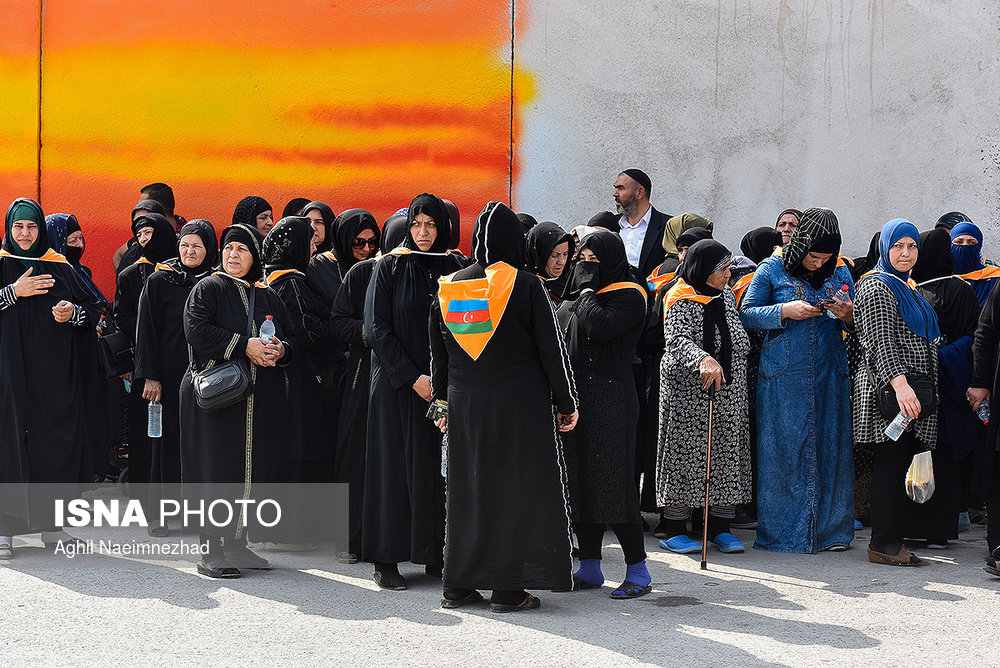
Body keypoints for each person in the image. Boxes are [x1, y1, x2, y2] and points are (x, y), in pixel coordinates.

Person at [429, 201, 578, 612]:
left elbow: (439, 359)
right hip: (520, 410)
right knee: (515, 493)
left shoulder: (450, 286)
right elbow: (553, 352)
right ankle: (508, 590)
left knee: (468, 495)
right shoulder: (526, 285)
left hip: (465, 409)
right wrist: (567, 402)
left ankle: (457, 586)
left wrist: (441, 407)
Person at [179, 222, 298, 578]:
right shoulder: (208, 288)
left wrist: (281, 349)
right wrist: (244, 345)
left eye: (242, 250)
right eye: (229, 248)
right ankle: (210, 548)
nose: (233, 255)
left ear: (254, 255)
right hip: (218, 399)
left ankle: (236, 544)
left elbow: (295, 339)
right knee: (215, 470)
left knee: (250, 472)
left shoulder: (268, 294)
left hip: (258, 401)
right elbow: (196, 330)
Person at [362, 193, 464, 589]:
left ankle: (434, 554)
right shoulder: (389, 265)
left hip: (441, 388)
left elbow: (465, 329)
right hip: (395, 385)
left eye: (431, 225)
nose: (423, 233)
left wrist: (442, 380)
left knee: (435, 474)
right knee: (391, 470)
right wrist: (412, 377)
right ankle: (385, 559)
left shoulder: (455, 267)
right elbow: (376, 329)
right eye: (417, 224)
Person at [739, 208, 855, 553]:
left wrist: (846, 313)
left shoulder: (843, 271)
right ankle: (782, 533)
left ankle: (832, 531)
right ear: (801, 244)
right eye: (813, 256)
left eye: (826, 257)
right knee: (784, 450)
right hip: (783, 376)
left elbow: (856, 321)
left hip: (830, 371)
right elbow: (746, 312)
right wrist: (784, 311)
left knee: (831, 447)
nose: (819, 264)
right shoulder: (771, 269)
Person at [0, 198, 103, 559]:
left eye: (31, 227)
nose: (25, 234)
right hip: (8, 373)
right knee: (9, 442)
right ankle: (5, 530)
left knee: (54, 442)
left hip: (54, 375)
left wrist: (72, 312)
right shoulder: (2, 265)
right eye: (18, 227)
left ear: (40, 229)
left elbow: (94, 309)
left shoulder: (57, 265)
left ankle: (52, 527)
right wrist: (14, 292)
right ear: (9, 229)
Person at [556, 230, 650, 598]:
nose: (585, 268)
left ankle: (639, 571)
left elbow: (600, 325)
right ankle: (591, 567)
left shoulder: (630, 294)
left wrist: (584, 290)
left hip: (612, 398)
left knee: (613, 482)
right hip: (580, 398)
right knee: (580, 478)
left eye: (594, 262)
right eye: (583, 260)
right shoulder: (580, 297)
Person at [656, 239, 751, 554]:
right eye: (722, 269)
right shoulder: (678, 297)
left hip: (728, 389)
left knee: (723, 455)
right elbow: (677, 339)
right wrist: (704, 359)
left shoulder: (724, 294)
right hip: (688, 392)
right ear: (702, 270)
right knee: (685, 455)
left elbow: (734, 332)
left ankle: (719, 528)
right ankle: (674, 528)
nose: (728, 275)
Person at [852, 219, 939, 567]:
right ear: (885, 248)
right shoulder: (877, 287)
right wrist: (900, 386)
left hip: (910, 390)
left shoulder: (906, 285)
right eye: (898, 246)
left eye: (912, 246)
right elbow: (879, 341)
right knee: (890, 464)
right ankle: (884, 544)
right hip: (890, 394)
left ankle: (891, 540)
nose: (906, 253)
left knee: (900, 461)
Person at [329, 213, 406, 564]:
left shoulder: (422, 272)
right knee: (356, 455)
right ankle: (350, 538)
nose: (369, 249)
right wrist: (376, 334)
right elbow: (339, 323)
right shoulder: (361, 273)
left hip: (410, 375)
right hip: (365, 374)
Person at [133, 220, 218, 536]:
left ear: (209, 248)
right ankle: (160, 514)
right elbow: (146, 332)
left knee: (201, 444)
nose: (190, 251)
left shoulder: (217, 282)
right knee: (165, 444)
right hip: (167, 377)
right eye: (185, 244)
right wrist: (150, 376)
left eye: (197, 245)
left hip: (207, 376)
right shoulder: (160, 280)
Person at [263, 216, 341, 548]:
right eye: (308, 240)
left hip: (284, 375)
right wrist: (340, 335)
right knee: (303, 446)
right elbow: (309, 331)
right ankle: (294, 533)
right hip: (300, 376)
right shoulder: (293, 283)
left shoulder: (271, 280)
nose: (314, 246)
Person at [903, 229, 978, 548]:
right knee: (936, 456)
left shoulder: (925, 291)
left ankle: (923, 527)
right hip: (938, 387)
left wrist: (934, 355)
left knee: (928, 454)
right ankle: (932, 529)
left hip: (929, 388)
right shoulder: (921, 289)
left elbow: (971, 335)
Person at [114, 212, 178, 488]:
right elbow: (120, 315)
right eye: (139, 235)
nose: (143, 239)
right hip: (144, 360)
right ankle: (144, 491)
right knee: (146, 428)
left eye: (149, 233)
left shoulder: (181, 273)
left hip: (175, 359)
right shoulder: (130, 274)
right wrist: (148, 328)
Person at [613, 169, 670, 282]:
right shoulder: (611, 224)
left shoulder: (667, 226)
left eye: (620, 188)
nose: (615, 193)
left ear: (639, 192)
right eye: (615, 188)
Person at [950, 221, 1000, 307]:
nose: (965, 246)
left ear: (979, 246)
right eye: (959, 242)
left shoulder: (994, 279)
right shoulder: (942, 279)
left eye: (971, 242)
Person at [114, 198, 168, 273]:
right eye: (136, 221)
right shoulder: (130, 258)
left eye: (145, 219)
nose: (140, 224)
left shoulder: (182, 249)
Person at [525, 221, 574, 304]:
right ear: (539, 255)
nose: (561, 262)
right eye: (554, 255)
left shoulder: (573, 281)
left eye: (565, 254)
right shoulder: (526, 289)